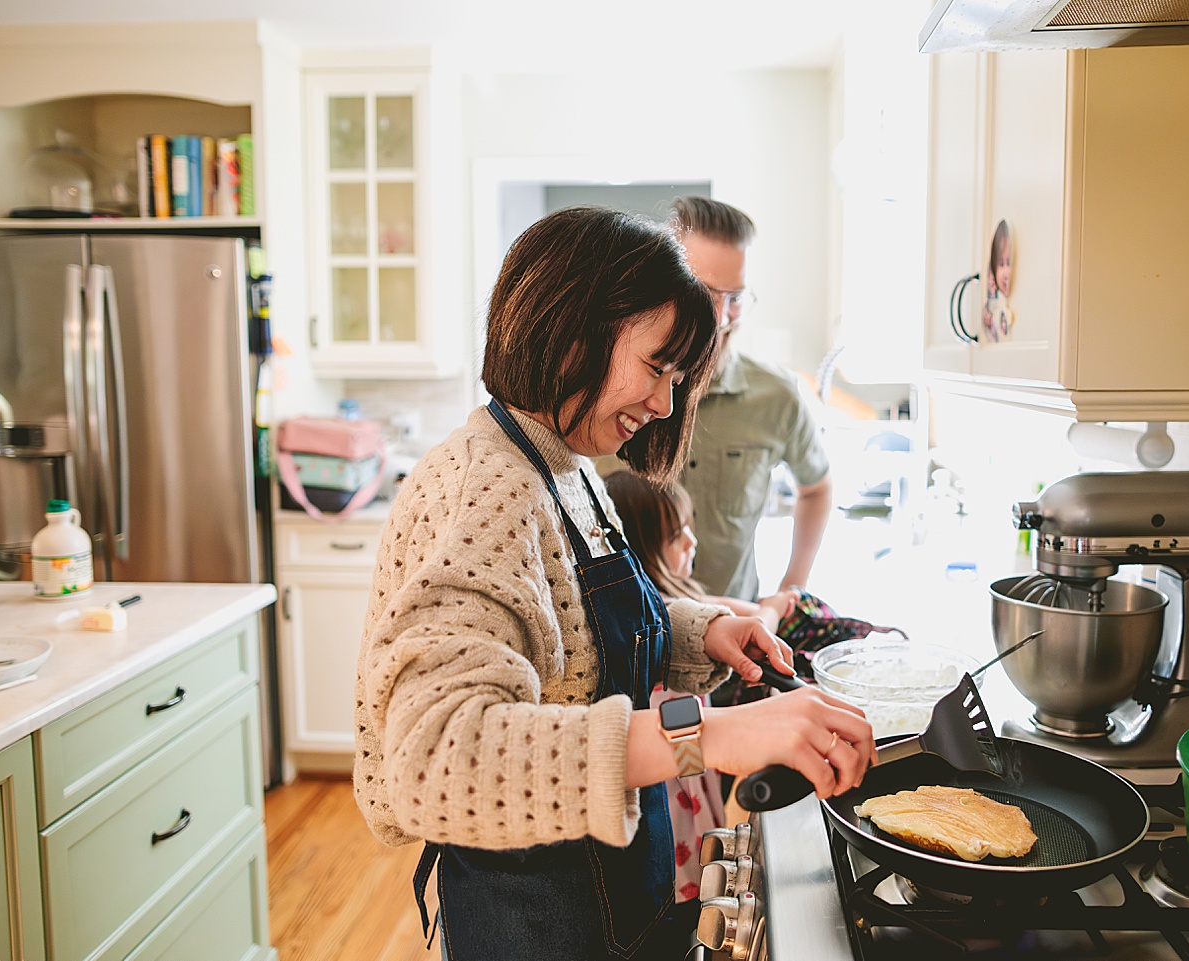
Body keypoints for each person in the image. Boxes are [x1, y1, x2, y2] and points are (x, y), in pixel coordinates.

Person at [353, 206, 875, 961]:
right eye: (657, 366)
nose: (665, 403)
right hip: (534, 918)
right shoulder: (484, 487)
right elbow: (439, 756)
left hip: (608, 895)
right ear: (572, 333)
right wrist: (714, 733)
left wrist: (699, 630)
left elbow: (565, 623)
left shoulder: (562, 465)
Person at [603, 469, 798, 919]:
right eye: (676, 535)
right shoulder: (654, 641)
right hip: (678, 796)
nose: (692, 541)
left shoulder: (677, 605)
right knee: (685, 887)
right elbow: (683, 759)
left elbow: (752, 615)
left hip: (690, 780)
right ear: (640, 546)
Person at [669, 196, 833, 604]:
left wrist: (792, 588)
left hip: (737, 640)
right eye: (705, 293)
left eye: (736, 297)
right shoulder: (619, 393)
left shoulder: (776, 397)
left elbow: (817, 488)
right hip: (632, 646)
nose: (722, 317)